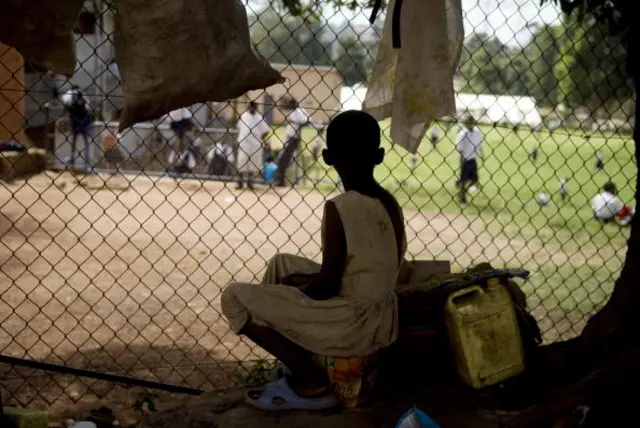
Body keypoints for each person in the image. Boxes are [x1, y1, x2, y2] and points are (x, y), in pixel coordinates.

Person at [221, 110, 406, 411]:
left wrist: (295, 291)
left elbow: (327, 287)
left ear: (328, 157)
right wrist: (299, 282)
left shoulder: (340, 207)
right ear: (380, 155)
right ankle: (300, 361)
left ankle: (310, 379)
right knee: (283, 264)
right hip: (381, 318)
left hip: (352, 324)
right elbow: (361, 268)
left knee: (233, 297)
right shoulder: (388, 202)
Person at [235, 101, 270, 190]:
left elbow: (266, 130)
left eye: (254, 107)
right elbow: (239, 127)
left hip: (255, 143)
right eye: (250, 106)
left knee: (253, 164)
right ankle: (239, 182)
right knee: (241, 162)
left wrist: (260, 138)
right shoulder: (243, 116)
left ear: (256, 108)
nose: (252, 108)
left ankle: (250, 183)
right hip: (244, 142)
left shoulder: (259, 118)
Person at [58, 85, 93, 170]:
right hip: (84, 119)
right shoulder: (83, 94)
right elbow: (88, 107)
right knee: (85, 138)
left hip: (75, 119)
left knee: (74, 138)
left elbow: (65, 104)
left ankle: (72, 157)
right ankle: (87, 157)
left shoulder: (69, 94)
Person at [276, 97, 309, 187]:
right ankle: (281, 181)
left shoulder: (300, 111)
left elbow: (307, 121)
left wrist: (295, 122)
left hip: (294, 138)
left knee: (283, 159)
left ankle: (282, 181)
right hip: (288, 136)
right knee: (282, 159)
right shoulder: (292, 112)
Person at [455, 115, 483, 205]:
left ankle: (461, 191)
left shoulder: (477, 133)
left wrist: (482, 155)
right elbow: (459, 148)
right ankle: (462, 197)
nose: (470, 124)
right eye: (468, 122)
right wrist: (462, 161)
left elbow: (479, 144)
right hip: (465, 159)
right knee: (464, 180)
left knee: (475, 180)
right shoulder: (463, 134)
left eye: (471, 122)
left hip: (473, 159)